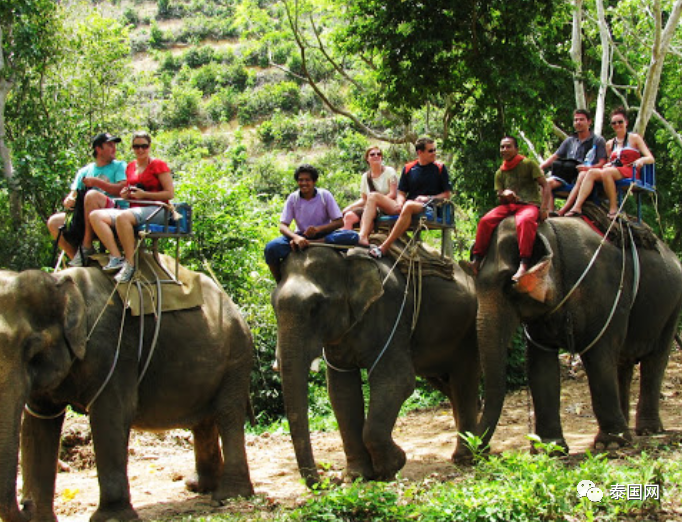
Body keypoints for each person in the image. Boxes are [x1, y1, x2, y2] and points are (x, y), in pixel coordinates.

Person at [462, 136, 551, 281]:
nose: (504, 150)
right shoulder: (500, 172)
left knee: (525, 221)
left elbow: (545, 185)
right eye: (502, 147)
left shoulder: (528, 164)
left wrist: (544, 208)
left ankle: (524, 264)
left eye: (508, 146)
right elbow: (500, 197)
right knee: (485, 221)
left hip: (529, 204)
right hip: (509, 206)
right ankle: (477, 261)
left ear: (517, 149)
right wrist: (505, 195)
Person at [89, 131, 174, 283]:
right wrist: (125, 194)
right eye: (136, 146)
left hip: (157, 208)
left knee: (123, 217)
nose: (140, 150)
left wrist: (145, 194)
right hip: (134, 210)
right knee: (96, 215)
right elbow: (128, 191)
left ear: (149, 147)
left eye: (144, 146)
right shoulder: (130, 167)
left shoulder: (157, 165)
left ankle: (130, 265)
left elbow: (169, 193)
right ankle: (116, 257)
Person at [264, 164, 357, 282]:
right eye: (300, 180)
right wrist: (296, 238)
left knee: (352, 236)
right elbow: (283, 226)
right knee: (270, 248)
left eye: (307, 180)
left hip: (324, 236)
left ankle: (313, 243)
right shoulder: (293, 198)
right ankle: (279, 281)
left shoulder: (324, 195)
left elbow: (339, 222)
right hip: (301, 236)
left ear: (314, 181)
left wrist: (318, 229)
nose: (304, 183)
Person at [560, 107, 655, 219]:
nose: (617, 125)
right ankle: (577, 206)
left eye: (620, 122)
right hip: (614, 170)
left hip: (630, 170)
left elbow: (650, 158)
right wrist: (604, 165)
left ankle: (613, 208)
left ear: (626, 122)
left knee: (607, 172)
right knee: (591, 173)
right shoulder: (610, 144)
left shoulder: (634, 138)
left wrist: (641, 160)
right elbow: (611, 162)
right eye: (614, 123)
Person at [47, 132, 126, 263]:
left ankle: (87, 246)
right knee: (54, 222)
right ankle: (77, 259)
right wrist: (69, 200)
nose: (114, 149)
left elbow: (122, 190)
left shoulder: (119, 166)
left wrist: (97, 183)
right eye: (110, 145)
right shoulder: (85, 171)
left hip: (114, 212)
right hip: (85, 216)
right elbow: (73, 194)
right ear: (98, 149)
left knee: (91, 196)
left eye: (114, 145)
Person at [369, 137, 452, 258]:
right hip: (408, 206)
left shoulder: (439, 168)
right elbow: (401, 192)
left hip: (429, 207)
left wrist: (428, 198)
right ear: (420, 152)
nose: (434, 153)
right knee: (374, 197)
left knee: (408, 205)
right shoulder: (409, 168)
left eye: (435, 150)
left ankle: (384, 247)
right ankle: (363, 237)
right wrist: (400, 202)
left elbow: (447, 194)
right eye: (430, 151)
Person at [540, 109, 607, 211]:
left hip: (584, 176)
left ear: (589, 122)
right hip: (567, 175)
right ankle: (549, 213)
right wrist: (540, 167)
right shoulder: (570, 141)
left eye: (581, 120)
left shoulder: (598, 140)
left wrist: (588, 168)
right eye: (576, 120)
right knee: (546, 184)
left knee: (582, 176)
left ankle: (565, 210)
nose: (578, 122)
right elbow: (554, 157)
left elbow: (602, 162)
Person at [341, 146, 400, 245]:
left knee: (373, 196)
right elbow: (364, 199)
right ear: (367, 159)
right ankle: (345, 243)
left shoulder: (389, 171)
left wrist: (375, 202)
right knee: (349, 216)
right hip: (372, 208)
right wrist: (349, 208)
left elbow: (393, 194)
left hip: (390, 205)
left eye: (378, 154)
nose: (376, 156)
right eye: (372, 154)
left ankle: (363, 236)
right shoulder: (366, 177)